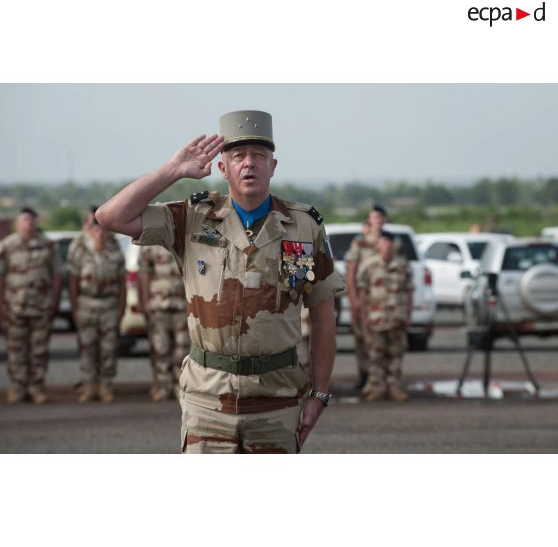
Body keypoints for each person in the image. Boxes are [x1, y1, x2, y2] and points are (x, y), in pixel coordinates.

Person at [95, 110, 344, 453]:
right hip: (207, 403)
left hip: (278, 400)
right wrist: (173, 170)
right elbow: (110, 216)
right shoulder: (193, 218)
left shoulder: (304, 226)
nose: (249, 164)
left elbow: (323, 314)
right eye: (238, 156)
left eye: (259, 156)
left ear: (273, 166)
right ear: (222, 168)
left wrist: (319, 394)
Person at [0, 207, 62, 404]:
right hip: (14, 307)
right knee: (16, 350)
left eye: (31, 220)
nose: (28, 224)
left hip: (41, 307)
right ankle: (18, 388)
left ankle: (37, 388)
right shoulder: (7, 246)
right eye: (24, 220)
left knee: (39, 351)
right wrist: (1, 302)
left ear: (36, 222)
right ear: (17, 223)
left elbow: (56, 276)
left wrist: (54, 301)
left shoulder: (48, 245)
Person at [68, 214, 126, 403]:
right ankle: (88, 386)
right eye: (95, 229)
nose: (99, 233)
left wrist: (120, 309)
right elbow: (73, 282)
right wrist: (75, 308)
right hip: (87, 304)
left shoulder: (115, 250)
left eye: (102, 229)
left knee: (108, 348)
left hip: (108, 305)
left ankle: (106, 386)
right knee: (87, 348)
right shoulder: (81, 251)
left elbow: (121, 283)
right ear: (90, 231)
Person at [356, 230, 413, 402]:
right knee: (375, 355)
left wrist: (408, 316)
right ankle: (377, 387)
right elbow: (363, 293)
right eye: (383, 242)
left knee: (396, 355)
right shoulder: (369, 265)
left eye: (389, 243)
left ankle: (394, 387)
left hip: (397, 318)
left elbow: (409, 292)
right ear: (378, 244)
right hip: (376, 318)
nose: (386, 246)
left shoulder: (403, 266)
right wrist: (363, 316)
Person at [138, 244, 190, 402]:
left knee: (182, 349)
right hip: (158, 305)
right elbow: (144, 273)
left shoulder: (183, 235)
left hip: (182, 304)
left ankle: (180, 387)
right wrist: (145, 302)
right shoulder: (150, 241)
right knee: (160, 348)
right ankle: (162, 386)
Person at [344, 204, 388, 389]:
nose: (377, 221)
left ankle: (381, 378)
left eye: (380, 217)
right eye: (374, 217)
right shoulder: (360, 243)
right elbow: (351, 272)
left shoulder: (390, 243)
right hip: (364, 300)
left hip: (386, 301)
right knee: (363, 339)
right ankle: (365, 375)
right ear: (368, 221)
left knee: (384, 340)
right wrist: (353, 300)